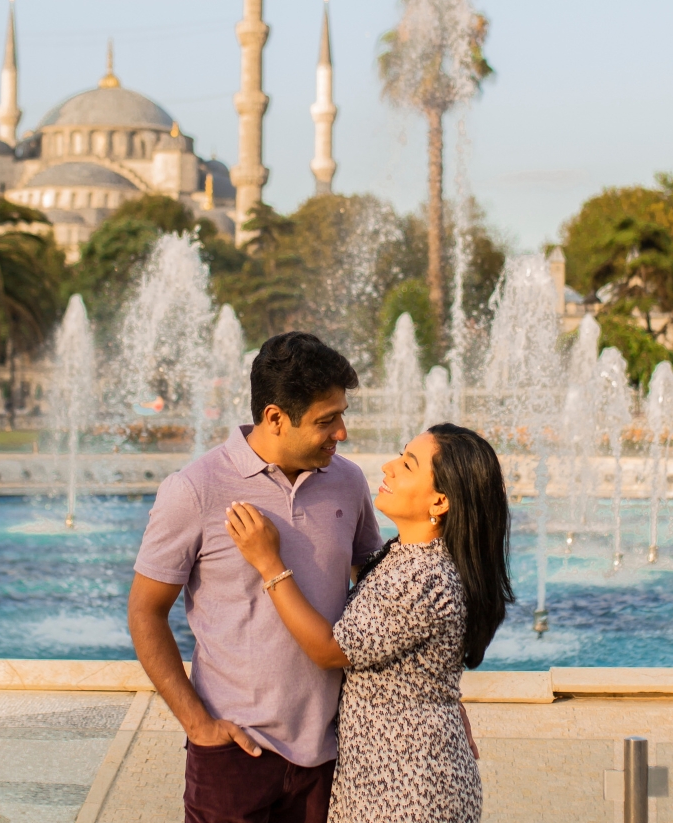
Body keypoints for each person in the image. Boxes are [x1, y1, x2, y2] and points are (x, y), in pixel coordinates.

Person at [127, 332, 384, 823]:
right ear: (274, 418)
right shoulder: (194, 489)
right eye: (326, 421)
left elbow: (376, 592)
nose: (342, 433)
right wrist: (198, 724)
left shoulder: (349, 481)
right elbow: (145, 610)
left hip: (332, 755)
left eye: (342, 415)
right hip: (233, 755)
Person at [225, 423, 514, 823]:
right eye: (400, 454)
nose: (389, 467)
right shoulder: (407, 556)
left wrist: (268, 562)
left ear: (440, 502)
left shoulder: (422, 577)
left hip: (410, 789)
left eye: (408, 465)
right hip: (388, 775)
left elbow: (329, 650)